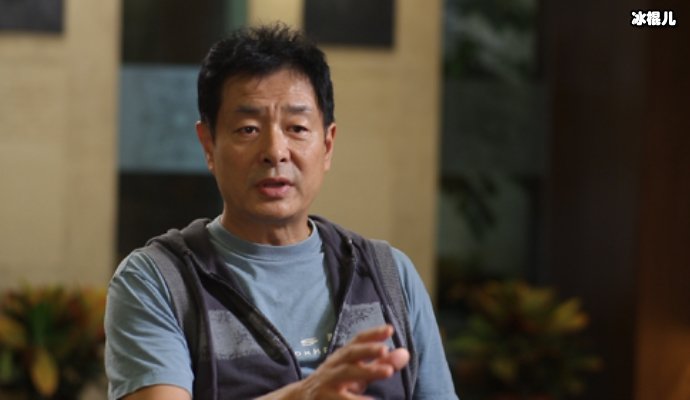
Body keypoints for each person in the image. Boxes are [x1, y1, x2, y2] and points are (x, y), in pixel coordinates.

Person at [105, 23, 458, 400]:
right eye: (248, 129)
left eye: (297, 128)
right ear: (208, 145)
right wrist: (303, 395)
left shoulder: (389, 276)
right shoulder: (157, 282)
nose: (275, 151)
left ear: (327, 145)